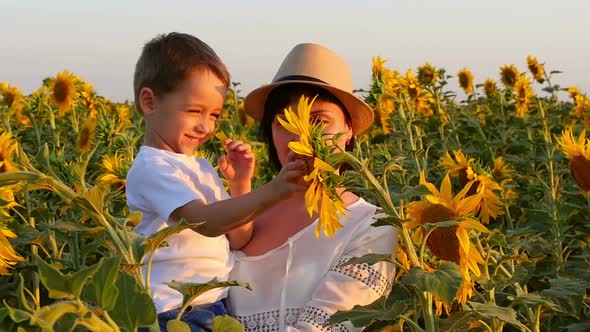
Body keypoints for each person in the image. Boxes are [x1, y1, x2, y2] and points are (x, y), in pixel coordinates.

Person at [126, 32, 308, 331]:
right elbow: (203, 224)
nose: (206, 126)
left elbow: (238, 238)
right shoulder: (153, 168)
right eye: (194, 111)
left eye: (214, 115)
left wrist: (241, 184)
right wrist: (274, 190)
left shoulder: (199, 167)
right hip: (174, 311)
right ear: (149, 102)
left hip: (212, 305)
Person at [228, 43, 398, 331]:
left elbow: (327, 326)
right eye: (285, 121)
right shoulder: (236, 212)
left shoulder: (371, 228)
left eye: (319, 121)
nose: (301, 137)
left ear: (348, 130)